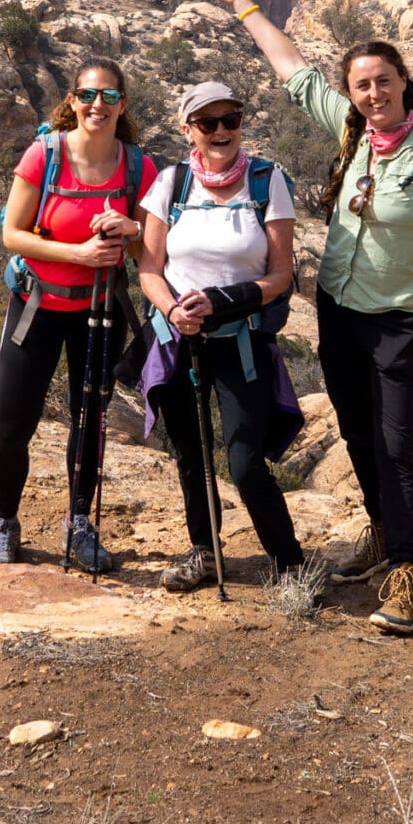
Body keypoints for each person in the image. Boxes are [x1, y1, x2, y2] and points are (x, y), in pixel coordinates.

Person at [203, 0, 413, 635]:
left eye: (383, 80)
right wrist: (241, 1)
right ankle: (382, 532)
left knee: (394, 443)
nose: (373, 93)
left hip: (400, 321)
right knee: (355, 431)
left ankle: (406, 571)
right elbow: (293, 72)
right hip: (339, 313)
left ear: (405, 81)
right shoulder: (352, 129)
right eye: (362, 85)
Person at [0, 59, 159, 574]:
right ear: (72, 100)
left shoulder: (138, 168)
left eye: (109, 97)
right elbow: (13, 235)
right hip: (37, 307)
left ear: (122, 104)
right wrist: (79, 254)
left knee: (90, 422)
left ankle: (79, 523)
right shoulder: (45, 155)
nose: (97, 106)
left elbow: (147, 250)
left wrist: (130, 227)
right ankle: (4, 522)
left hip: (102, 310)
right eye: (88, 96)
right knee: (15, 422)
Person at [138, 80, 306, 592]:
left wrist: (224, 301)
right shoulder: (170, 184)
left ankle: (290, 560)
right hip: (179, 340)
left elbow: (281, 274)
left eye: (229, 120)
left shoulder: (266, 180)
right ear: (188, 130)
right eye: (207, 123)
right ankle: (205, 552)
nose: (220, 131)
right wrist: (172, 309)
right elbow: (149, 268)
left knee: (244, 461)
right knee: (191, 456)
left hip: (242, 341)